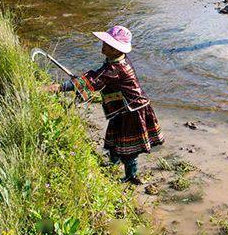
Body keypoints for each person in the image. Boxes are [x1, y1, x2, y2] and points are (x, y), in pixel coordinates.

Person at [48, 25, 164, 185]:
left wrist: (60, 87)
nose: (102, 46)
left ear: (116, 49)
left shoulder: (115, 68)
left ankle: (131, 176)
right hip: (123, 108)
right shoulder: (114, 61)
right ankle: (113, 163)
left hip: (132, 110)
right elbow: (97, 77)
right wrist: (81, 82)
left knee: (128, 147)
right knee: (115, 138)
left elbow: (94, 80)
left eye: (107, 45)